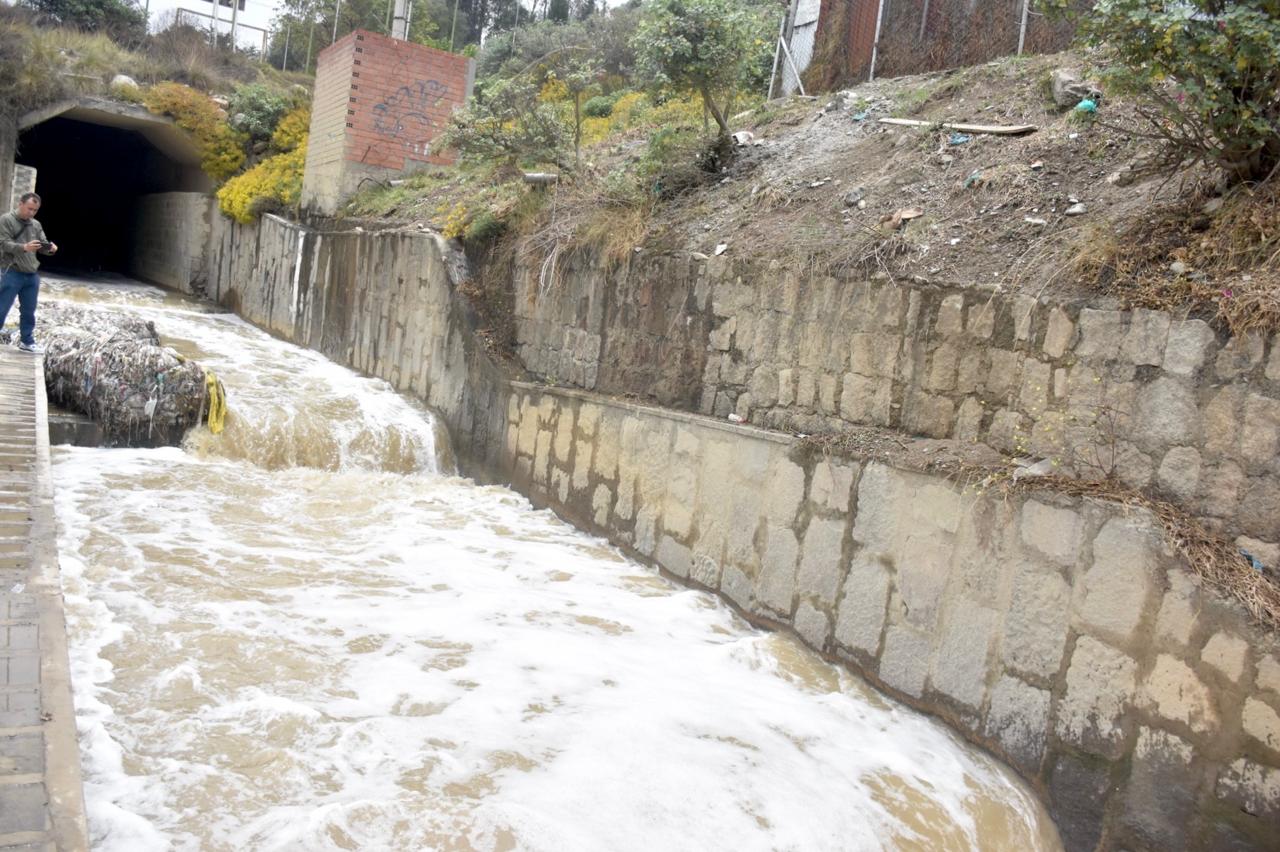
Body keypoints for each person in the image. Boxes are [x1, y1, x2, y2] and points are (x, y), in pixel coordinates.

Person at [0, 192, 58, 354]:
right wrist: (23, 247)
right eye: (29, 209)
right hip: (11, 271)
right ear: (20, 204)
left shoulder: (36, 224)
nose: (31, 213)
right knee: (2, 307)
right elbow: (3, 244)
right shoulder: (6, 220)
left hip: (31, 274)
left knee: (28, 310)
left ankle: (27, 341)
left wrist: (51, 249)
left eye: (35, 210)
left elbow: (42, 245)